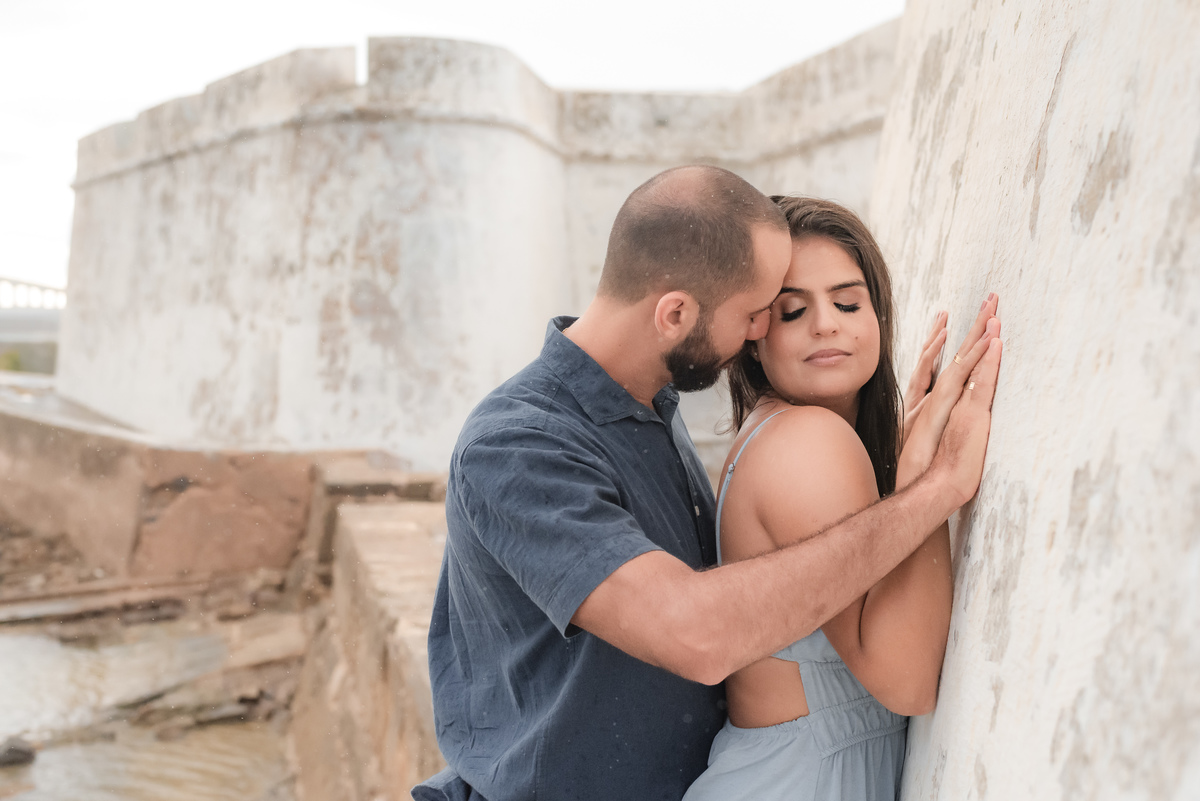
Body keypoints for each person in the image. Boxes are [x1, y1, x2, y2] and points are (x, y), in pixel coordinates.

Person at [413, 166, 1002, 801]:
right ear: (675, 314)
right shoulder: (518, 446)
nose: (759, 334)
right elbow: (695, 632)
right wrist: (930, 492)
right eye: (761, 312)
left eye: (847, 301)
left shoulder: (648, 410)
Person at [683, 196, 979, 800]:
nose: (826, 324)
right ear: (754, 340)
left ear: (878, 316)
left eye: (848, 302)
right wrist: (930, 480)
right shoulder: (805, 442)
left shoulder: (787, 433)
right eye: (792, 312)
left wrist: (899, 459)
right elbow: (911, 682)